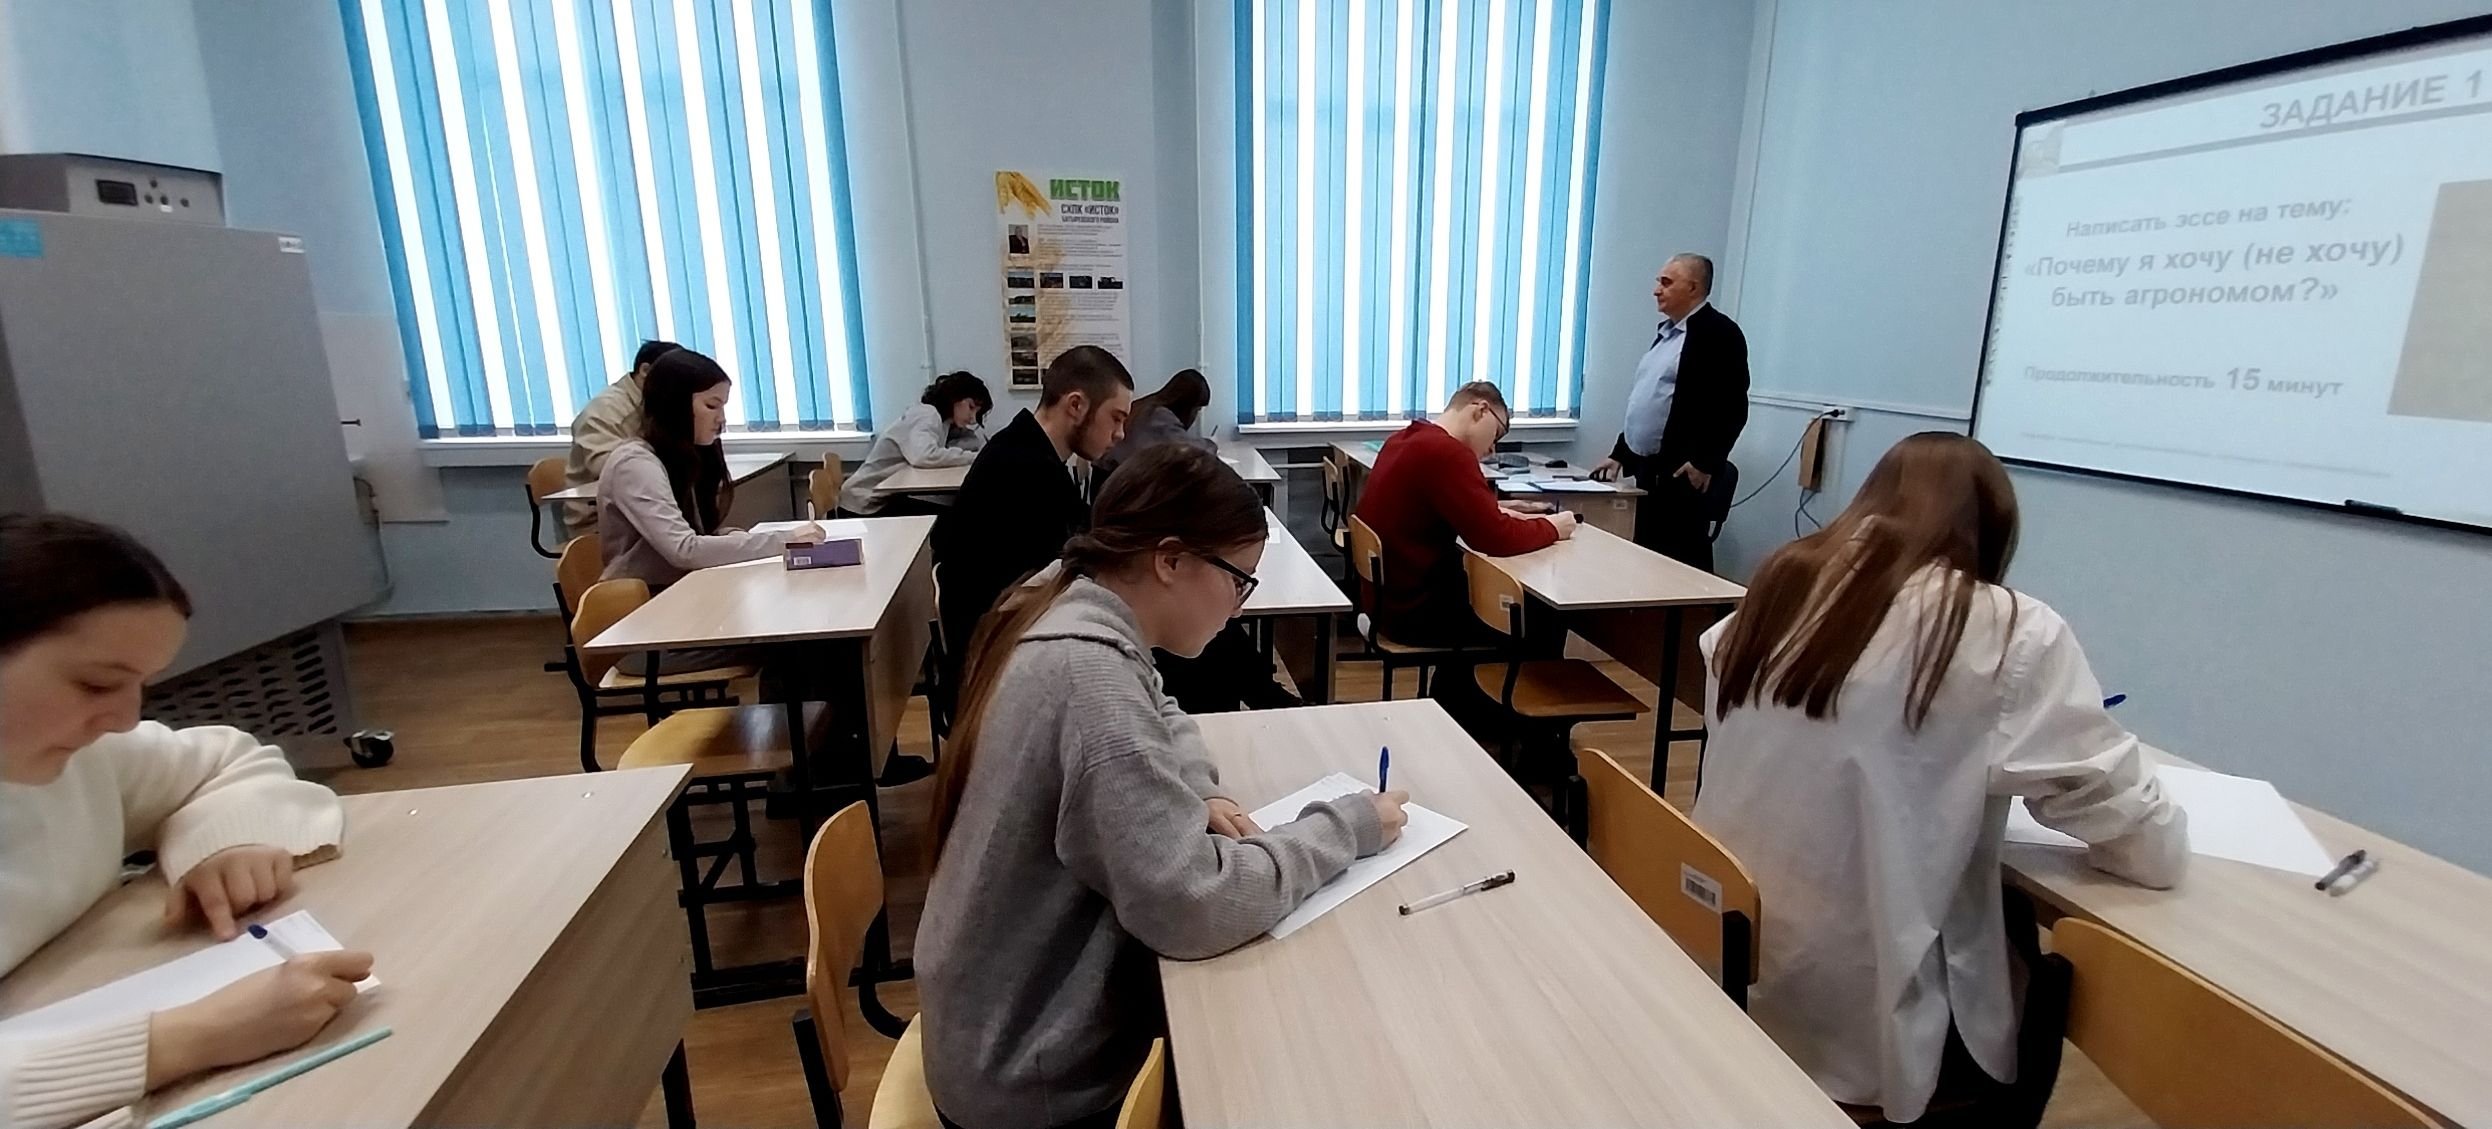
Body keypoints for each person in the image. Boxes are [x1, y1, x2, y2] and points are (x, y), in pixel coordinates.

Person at [1692, 433, 2188, 1125]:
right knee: (2039, 964)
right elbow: (2143, 840)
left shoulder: (1774, 590)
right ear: (1989, 531)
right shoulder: (2006, 629)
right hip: (1853, 1011)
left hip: (1726, 957)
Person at [916, 444, 1407, 1129]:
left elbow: (1156, 698)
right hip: (1031, 1077)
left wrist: (1201, 787)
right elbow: (1195, 905)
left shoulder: (1065, 593)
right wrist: (1348, 826)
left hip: (994, 1030)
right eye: (1239, 581)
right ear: (1170, 560)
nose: (1239, 608)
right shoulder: (1089, 682)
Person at [0, 514, 375, 1129]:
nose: (125, 719)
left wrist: (228, 843)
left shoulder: (76, 760)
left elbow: (225, 759)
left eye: (141, 687)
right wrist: (191, 1037)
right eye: (95, 684)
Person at [596, 347, 821, 673]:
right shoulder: (635, 463)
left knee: (801, 629)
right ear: (674, 404)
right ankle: (805, 708)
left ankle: (811, 707)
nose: (722, 419)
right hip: (644, 633)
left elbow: (690, 536)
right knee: (797, 640)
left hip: (683, 607)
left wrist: (723, 536)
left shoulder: (680, 457)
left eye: (723, 406)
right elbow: (684, 550)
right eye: (712, 406)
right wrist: (784, 541)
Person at [930, 345, 1132, 686]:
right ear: (1076, 405)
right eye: (1116, 417)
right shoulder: (1026, 469)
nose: (1120, 433)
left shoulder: (1024, 447)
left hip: (1002, 638)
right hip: (995, 662)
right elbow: (1073, 567)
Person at [1353, 382, 1577, 647]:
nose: (1493, 449)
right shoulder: (1448, 453)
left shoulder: (1403, 439)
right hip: (1416, 615)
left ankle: (1459, 676)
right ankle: (1490, 677)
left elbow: (1428, 506)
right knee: (1547, 615)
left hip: (1384, 605)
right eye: (1496, 435)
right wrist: (1553, 527)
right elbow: (1495, 539)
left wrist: (1494, 509)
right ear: (1481, 410)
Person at [1588, 254, 1750, 571]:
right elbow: (1651, 402)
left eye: (1666, 282)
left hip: (1682, 474)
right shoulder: (1668, 334)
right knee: (1645, 560)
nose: (1656, 290)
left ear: (1693, 287)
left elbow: (1732, 407)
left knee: (1679, 565)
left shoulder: (1719, 334)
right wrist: (1620, 453)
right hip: (1649, 470)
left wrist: (1704, 461)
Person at [561, 339, 681, 536]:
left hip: (642, 510)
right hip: (599, 523)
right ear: (645, 371)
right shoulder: (604, 411)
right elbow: (613, 469)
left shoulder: (656, 405)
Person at [839, 371, 992, 517]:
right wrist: (976, 457)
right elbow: (924, 456)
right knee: (953, 518)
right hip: (862, 502)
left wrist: (972, 449)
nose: (973, 418)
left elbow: (968, 442)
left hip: (882, 498)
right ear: (954, 398)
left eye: (977, 413)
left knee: (953, 515)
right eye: (971, 407)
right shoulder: (927, 414)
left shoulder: (943, 423)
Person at [1093, 367, 1213, 480]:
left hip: (1107, 475)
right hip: (1115, 481)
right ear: (1188, 405)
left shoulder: (1144, 405)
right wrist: (1213, 444)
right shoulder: (1158, 416)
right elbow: (1189, 449)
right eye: (1197, 409)